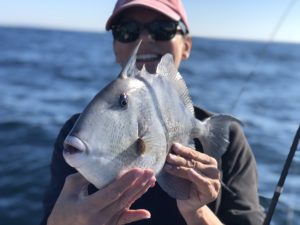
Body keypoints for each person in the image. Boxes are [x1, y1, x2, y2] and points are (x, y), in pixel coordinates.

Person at [41, 0, 265, 224]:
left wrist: (197, 212)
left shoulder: (230, 136)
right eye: (127, 31)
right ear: (115, 48)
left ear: (186, 45)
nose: (144, 39)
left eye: (162, 29)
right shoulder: (75, 134)